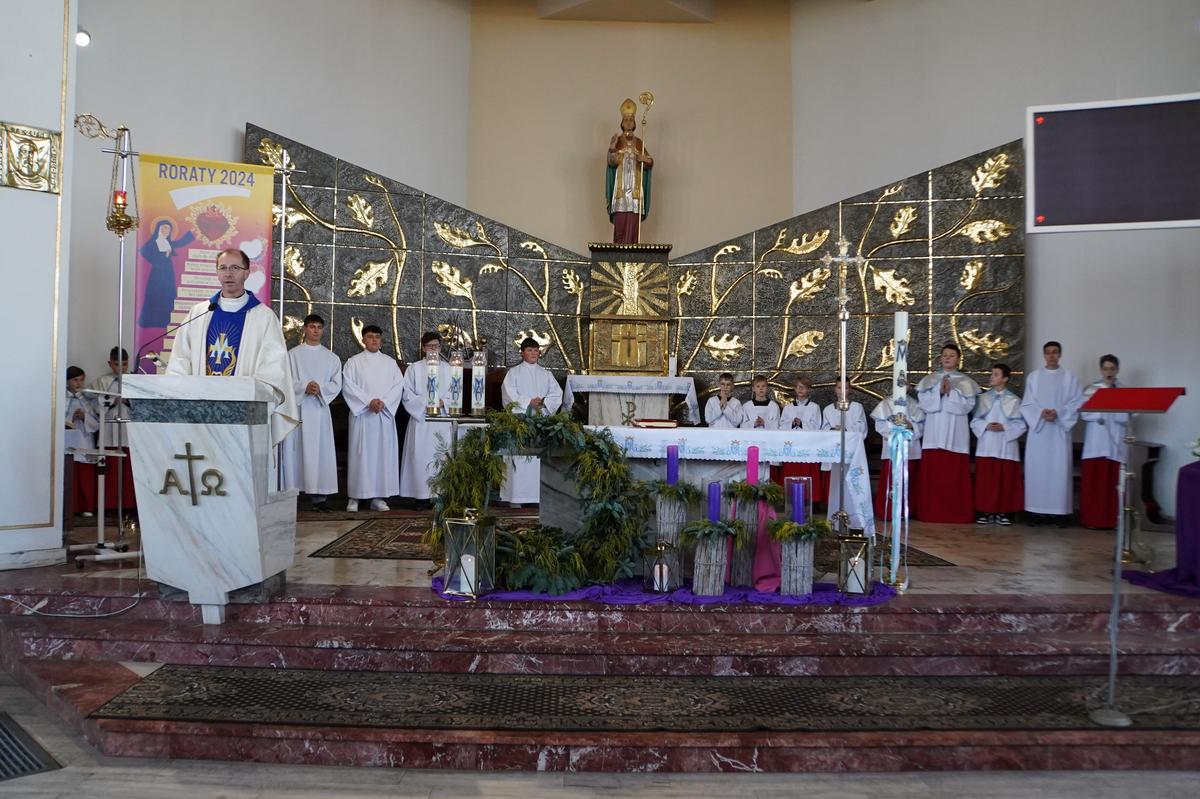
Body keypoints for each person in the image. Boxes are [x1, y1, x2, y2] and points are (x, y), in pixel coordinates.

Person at [166, 248, 298, 446]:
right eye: (223, 268)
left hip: (243, 415)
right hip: (200, 413)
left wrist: (254, 398)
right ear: (217, 272)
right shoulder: (199, 313)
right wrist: (181, 395)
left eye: (235, 268)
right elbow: (180, 360)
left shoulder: (263, 317)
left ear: (247, 272)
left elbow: (273, 369)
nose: (228, 274)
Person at [282, 314, 342, 512]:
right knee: (296, 451)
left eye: (319, 327)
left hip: (319, 411)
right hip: (298, 410)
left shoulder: (331, 358)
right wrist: (304, 386)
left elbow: (336, 383)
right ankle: (293, 494)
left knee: (320, 453)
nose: (316, 330)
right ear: (305, 329)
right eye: (312, 327)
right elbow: (285, 380)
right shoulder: (293, 355)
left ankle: (319, 497)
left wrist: (321, 388)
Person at [914, 342, 980, 523]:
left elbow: (968, 406)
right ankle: (930, 512)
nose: (947, 358)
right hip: (934, 434)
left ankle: (957, 513)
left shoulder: (966, 382)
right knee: (934, 477)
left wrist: (951, 393)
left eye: (951, 355)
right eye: (945, 355)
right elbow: (924, 404)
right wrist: (938, 392)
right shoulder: (930, 380)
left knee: (953, 477)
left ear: (958, 359)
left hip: (956, 433)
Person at [341, 325, 404, 512]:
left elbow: (398, 386)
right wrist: (368, 402)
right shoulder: (353, 362)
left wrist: (384, 402)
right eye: (370, 337)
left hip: (383, 416)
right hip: (362, 416)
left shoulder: (390, 363)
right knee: (360, 457)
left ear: (381, 340)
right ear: (363, 340)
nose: (374, 340)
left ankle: (378, 497)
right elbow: (348, 386)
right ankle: (354, 497)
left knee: (381, 457)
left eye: (377, 337)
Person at [1021, 340, 1083, 527]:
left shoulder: (1069, 377)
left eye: (1055, 352)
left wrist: (1058, 413)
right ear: (1044, 355)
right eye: (1048, 352)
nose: (1051, 355)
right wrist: (1041, 413)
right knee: (1037, 471)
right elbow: (1027, 403)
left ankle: (1059, 513)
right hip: (1039, 432)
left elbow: (1076, 402)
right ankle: (1035, 512)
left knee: (1058, 471)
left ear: (1060, 354)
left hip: (1058, 431)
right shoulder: (1034, 377)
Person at [500, 337, 564, 507]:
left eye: (536, 350)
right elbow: (508, 394)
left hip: (541, 422)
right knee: (519, 461)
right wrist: (528, 402)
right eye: (529, 350)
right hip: (520, 424)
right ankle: (516, 498)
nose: (533, 353)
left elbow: (556, 394)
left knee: (537, 461)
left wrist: (543, 403)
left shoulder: (546, 374)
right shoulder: (513, 373)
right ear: (522, 353)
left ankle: (536, 497)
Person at [399, 332, 453, 506]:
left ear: (440, 348)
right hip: (421, 419)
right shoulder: (414, 368)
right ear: (423, 348)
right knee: (420, 456)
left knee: (441, 456)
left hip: (442, 419)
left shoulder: (448, 368)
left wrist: (443, 402)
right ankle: (420, 496)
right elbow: (407, 393)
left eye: (436, 346)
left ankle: (440, 495)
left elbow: (455, 391)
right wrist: (427, 403)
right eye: (430, 346)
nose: (433, 349)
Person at [970, 363, 1026, 526]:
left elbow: (1021, 424)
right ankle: (985, 511)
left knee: (1005, 480)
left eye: (995, 374)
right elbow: (975, 421)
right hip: (987, 444)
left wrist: (1005, 427)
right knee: (986, 480)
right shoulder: (983, 398)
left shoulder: (1014, 400)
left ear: (1005, 378)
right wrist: (986, 425)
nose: (991, 377)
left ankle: (1004, 512)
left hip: (1005, 445)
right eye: (992, 374)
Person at [1079, 354, 1127, 529]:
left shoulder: (1124, 391)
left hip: (1115, 442)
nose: (1109, 372)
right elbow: (1084, 413)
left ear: (1117, 370)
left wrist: (1114, 410)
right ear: (1101, 370)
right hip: (1096, 443)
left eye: (1112, 368)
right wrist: (1102, 409)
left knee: (1113, 485)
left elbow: (1130, 415)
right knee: (1095, 484)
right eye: (1106, 369)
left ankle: (1113, 520)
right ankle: (1092, 520)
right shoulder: (1091, 389)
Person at [87, 347, 137, 511]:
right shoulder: (102, 382)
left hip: (128, 429)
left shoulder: (135, 380)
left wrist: (128, 401)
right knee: (110, 469)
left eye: (124, 364)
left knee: (128, 469)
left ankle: (129, 505)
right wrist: (111, 402)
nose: (121, 368)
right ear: (110, 364)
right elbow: (91, 403)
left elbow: (143, 404)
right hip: (109, 428)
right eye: (117, 364)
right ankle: (109, 505)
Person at [870, 389, 925, 521]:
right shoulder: (886, 403)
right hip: (892, 447)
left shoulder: (914, 404)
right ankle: (888, 511)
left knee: (909, 480)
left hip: (910, 447)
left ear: (909, 385)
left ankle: (907, 510)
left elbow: (921, 425)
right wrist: (894, 432)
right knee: (890, 480)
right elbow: (880, 424)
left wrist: (911, 426)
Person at [606, 97, 653, 244]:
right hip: (621, 187)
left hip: (634, 188)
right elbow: (611, 162)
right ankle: (619, 249)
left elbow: (649, 161)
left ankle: (633, 248)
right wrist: (612, 147)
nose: (628, 122)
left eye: (631, 120)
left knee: (633, 220)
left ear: (634, 124)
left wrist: (644, 159)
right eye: (626, 120)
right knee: (621, 219)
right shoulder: (617, 141)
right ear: (622, 123)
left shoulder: (639, 142)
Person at [137, 218, 195, 329]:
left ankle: (165, 321)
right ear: (158, 229)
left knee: (168, 295)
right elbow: (146, 253)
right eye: (164, 228)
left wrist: (191, 233)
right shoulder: (152, 243)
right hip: (157, 274)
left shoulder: (168, 242)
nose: (166, 230)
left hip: (168, 273)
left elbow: (180, 243)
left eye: (168, 228)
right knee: (156, 295)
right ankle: (152, 321)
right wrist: (164, 257)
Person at [821, 382, 867, 516]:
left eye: (845, 388)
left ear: (850, 390)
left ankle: (852, 509)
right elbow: (823, 428)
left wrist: (846, 429)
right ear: (834, 389)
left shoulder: (857, 407)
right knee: (835, 482)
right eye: (839, 387)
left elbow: (862, 427)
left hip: (851, 450)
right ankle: (834, 509)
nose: (842, 390)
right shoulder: (828, 409)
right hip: (833, 449)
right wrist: (832, 430)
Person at [776, 374, 823, 503]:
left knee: (807, 472)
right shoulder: (788, 407)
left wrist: (802, 424)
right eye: (798, 387)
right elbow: (781, 425)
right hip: (792, 447)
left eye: (803, 387)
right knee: (791, 471)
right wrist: (792, 423)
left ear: (808, 389)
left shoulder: (814, 407)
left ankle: (809, 499)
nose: (800, 389)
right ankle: (790, 499)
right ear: (794, 389)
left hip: (807, 446)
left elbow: (817, 426)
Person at [64, 366, 99, 519]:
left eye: (81, 380)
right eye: (75, 380)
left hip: (84, 441)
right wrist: (69, 417)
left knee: (84, 477)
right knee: (68, 475)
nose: (79, 383)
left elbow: (96, 422)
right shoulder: (60, 398)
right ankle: (68, 507)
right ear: (67, 381)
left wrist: (85, 417)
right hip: (66, 441)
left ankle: (86, 506)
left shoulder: (87, 399)